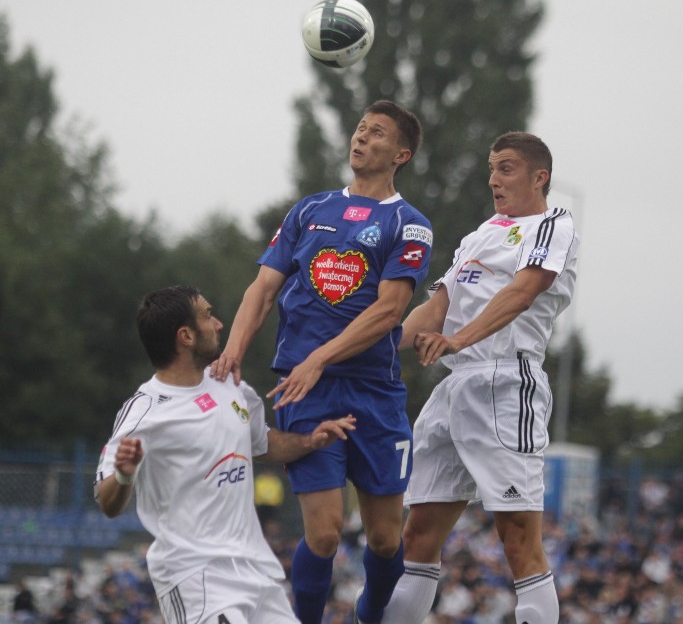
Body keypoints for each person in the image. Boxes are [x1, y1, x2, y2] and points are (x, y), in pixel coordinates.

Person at [209, 100, 431, 624]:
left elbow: (390, 310)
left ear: (400, 154)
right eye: (359, 129)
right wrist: (234, 349)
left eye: (376, 134)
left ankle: (368, 615)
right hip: (305, 392)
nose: (360, 139)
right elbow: (263, 287)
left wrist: (320, 357)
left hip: (374, 392)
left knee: (382, 540)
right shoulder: (309, 210)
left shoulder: (410, 224)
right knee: (325, 532)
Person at [382, 131, 580, 624]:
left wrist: (458, 339)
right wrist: (368, 345)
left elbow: (524, 291)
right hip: (456, 386)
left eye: (506, 168)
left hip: (506, 383)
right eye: (491, 168)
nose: (494, 178)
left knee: (518, 539)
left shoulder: (555, 225)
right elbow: (437, 308)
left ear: (541, 177)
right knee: (417, 534)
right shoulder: (481, 232)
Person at [94, 285, 356, 624]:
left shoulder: (230, 385)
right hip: (195, 576)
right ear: (186, 336)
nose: (219, 324)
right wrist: (126, 474)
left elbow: (261, 443)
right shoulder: (144, 411)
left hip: (257, 571)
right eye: (207, 315)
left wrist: (310, 441)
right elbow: (107, 502)